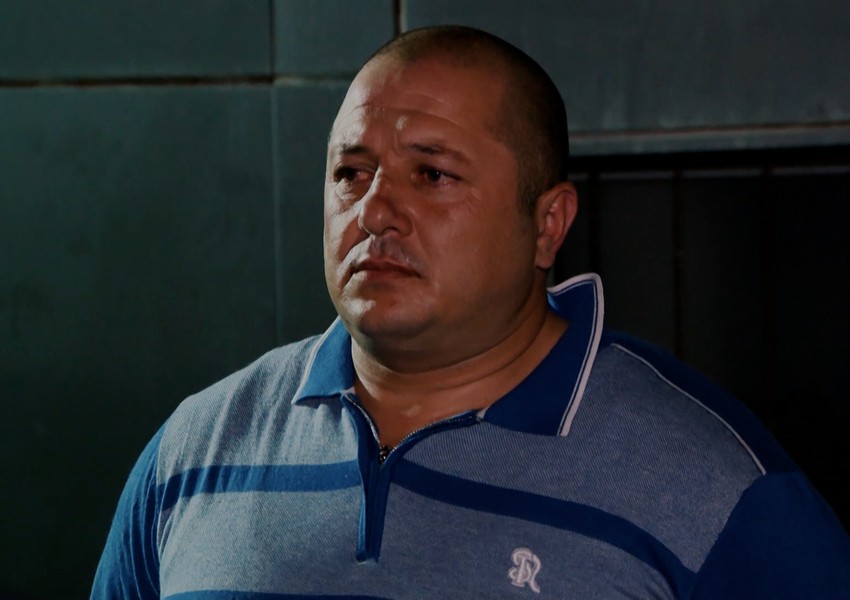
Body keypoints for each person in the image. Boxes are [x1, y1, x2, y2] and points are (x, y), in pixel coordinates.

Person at [91, 25, 850, 599]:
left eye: (432, 174)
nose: (374, 211)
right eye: (351, 172)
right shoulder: (196, 450)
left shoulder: (710, 484)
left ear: (547, 225)